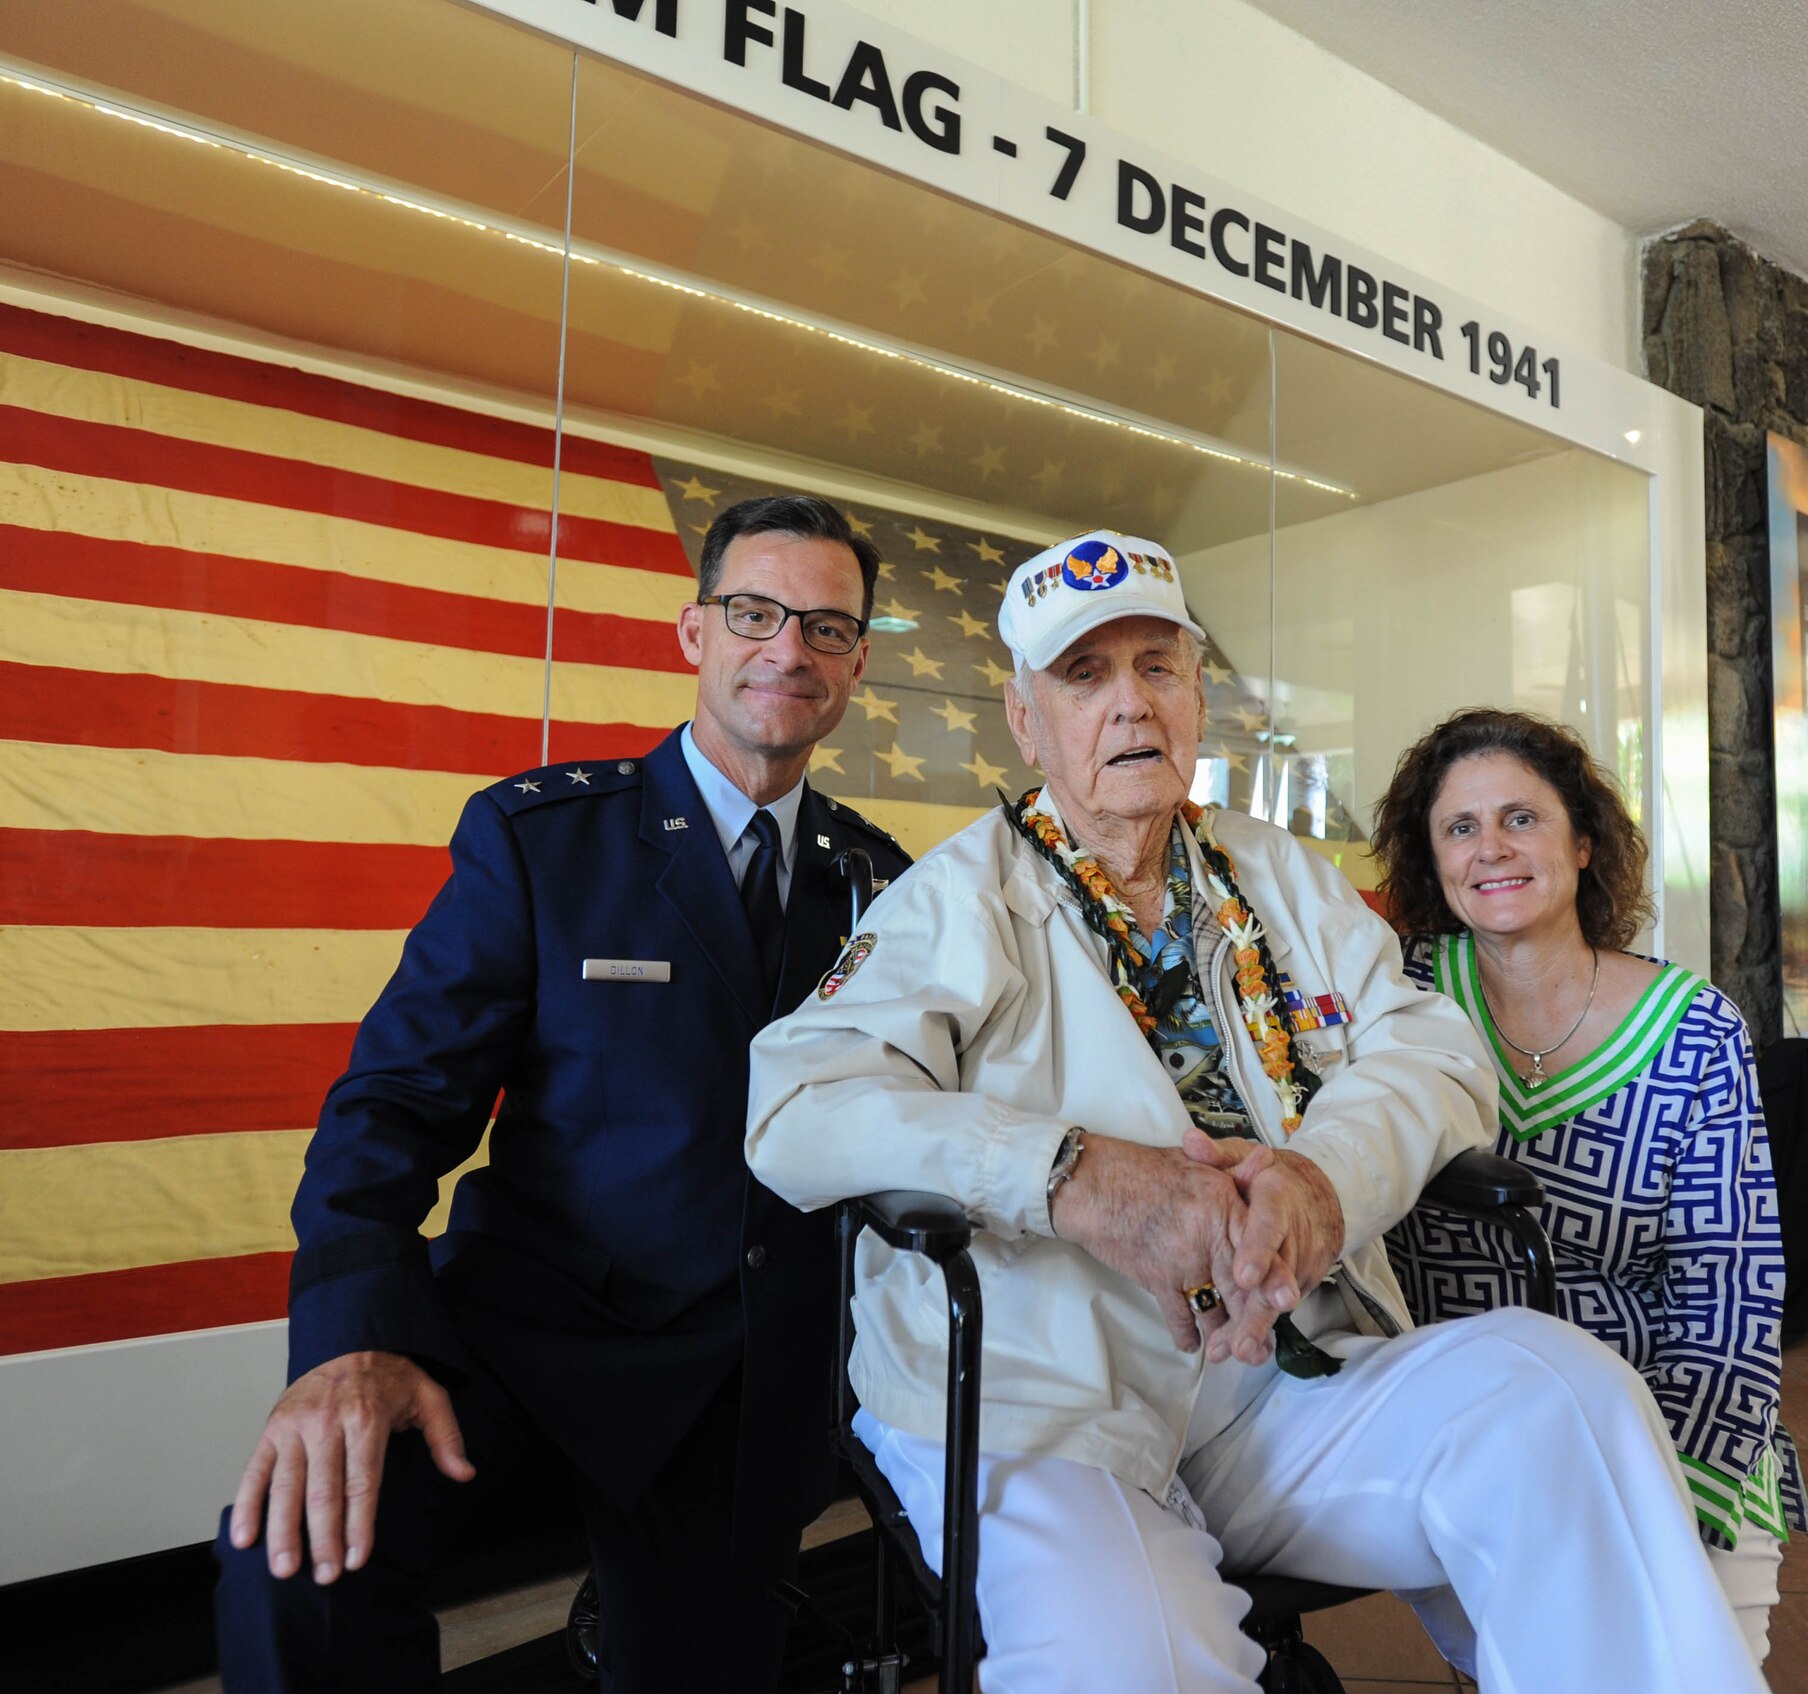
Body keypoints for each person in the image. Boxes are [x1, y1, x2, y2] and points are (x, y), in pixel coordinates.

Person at [745, 529, 1767, 1694]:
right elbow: (796, 1104)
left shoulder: (1270, 871)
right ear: (1026, 721)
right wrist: (1069, 1174)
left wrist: (1321, 1179)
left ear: (1192, 694)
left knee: (1555, 1396)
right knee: (1133, 1658)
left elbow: (1428, 1045)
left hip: (1287, 1371)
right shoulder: (956, 896)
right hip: (1045, 1401)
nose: (1129, 703)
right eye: (1084, 675)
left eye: (1157, 665)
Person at [213, 493, 911, 1692]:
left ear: (852, 661)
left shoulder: (882, 886)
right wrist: (347, 1342)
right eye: (755, 611)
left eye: (826, 626)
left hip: (745, 1385)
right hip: (527, 1337)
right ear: (694, 631)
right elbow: (390, 1104)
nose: (787, 649)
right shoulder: (542, 841)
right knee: (298, 1560)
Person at [1373, 705, 1805, 1666]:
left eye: (1520, 819)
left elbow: (1727, 1290)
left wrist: (1675, 1503)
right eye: (1460, 827)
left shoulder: (1694, 1028)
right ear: (1432, 862)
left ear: (1583, 844)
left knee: (1690, 1664)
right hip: (1464, 1440)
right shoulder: (1390, 997)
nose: (1491, 849)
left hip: (1667, 1424)